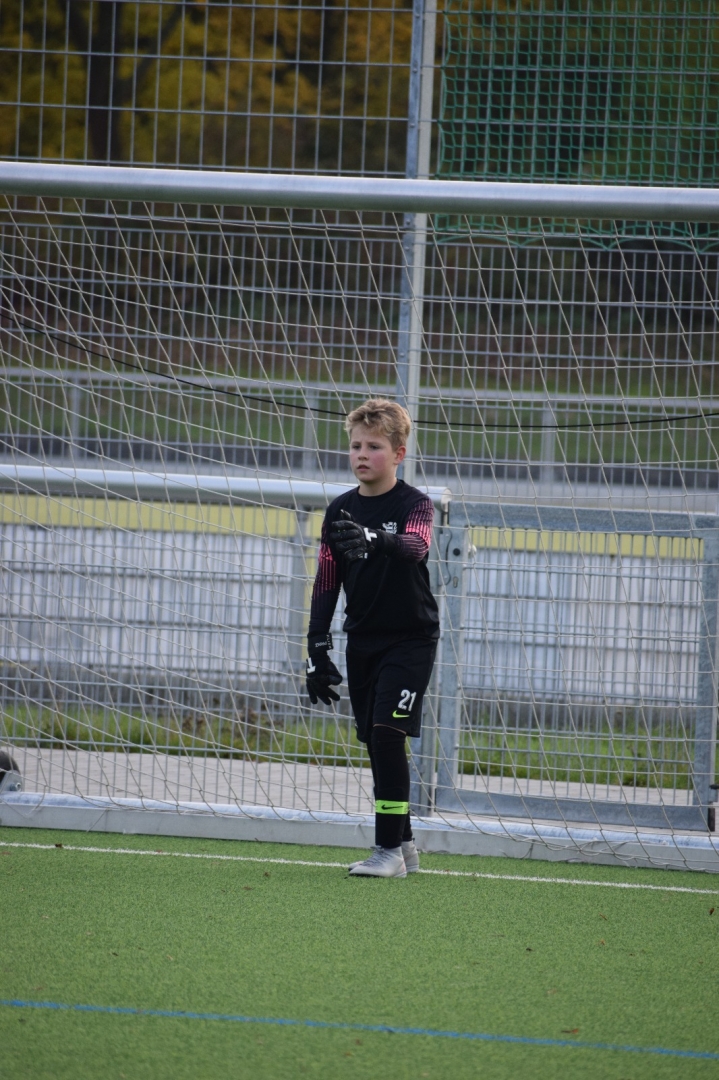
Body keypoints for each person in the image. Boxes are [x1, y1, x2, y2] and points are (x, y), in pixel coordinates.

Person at [305, 398, 439, 878]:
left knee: (387, 734)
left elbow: (417, 545)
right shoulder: (339, 509)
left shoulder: (414, 504)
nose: (362, 454)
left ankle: (386, 852)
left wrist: (376, 538)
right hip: (362, 641)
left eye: (375, 447)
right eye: (356, 446)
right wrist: (316, 647)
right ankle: (404, 846)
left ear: (399, 453)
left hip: (411, 639)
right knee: (376, 741)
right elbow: (326, 580)